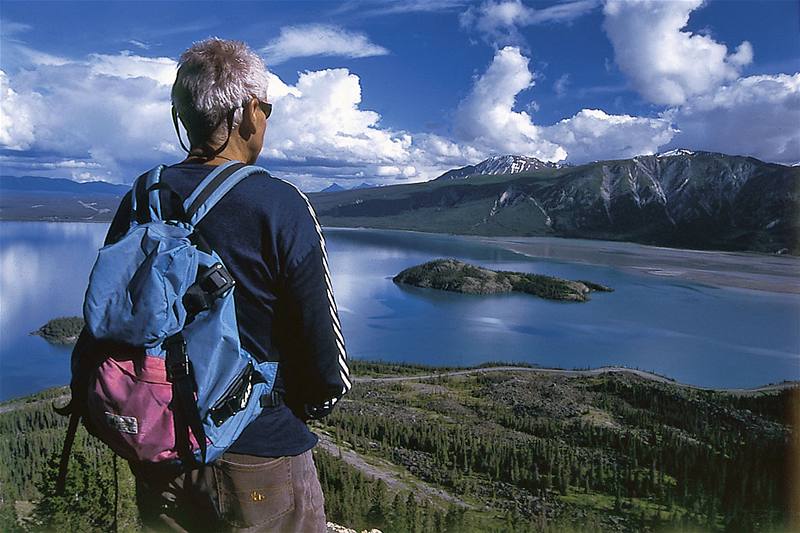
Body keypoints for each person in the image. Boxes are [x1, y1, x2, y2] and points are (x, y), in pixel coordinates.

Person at [71, 37, 352, 532]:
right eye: (266, 107)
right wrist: (308, 408)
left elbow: (109, 313)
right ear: (249, 113)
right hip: (257, 447)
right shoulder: (280, 203)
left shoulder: (144, 193)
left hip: (160, 438)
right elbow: (320, 341)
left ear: (183, 118)